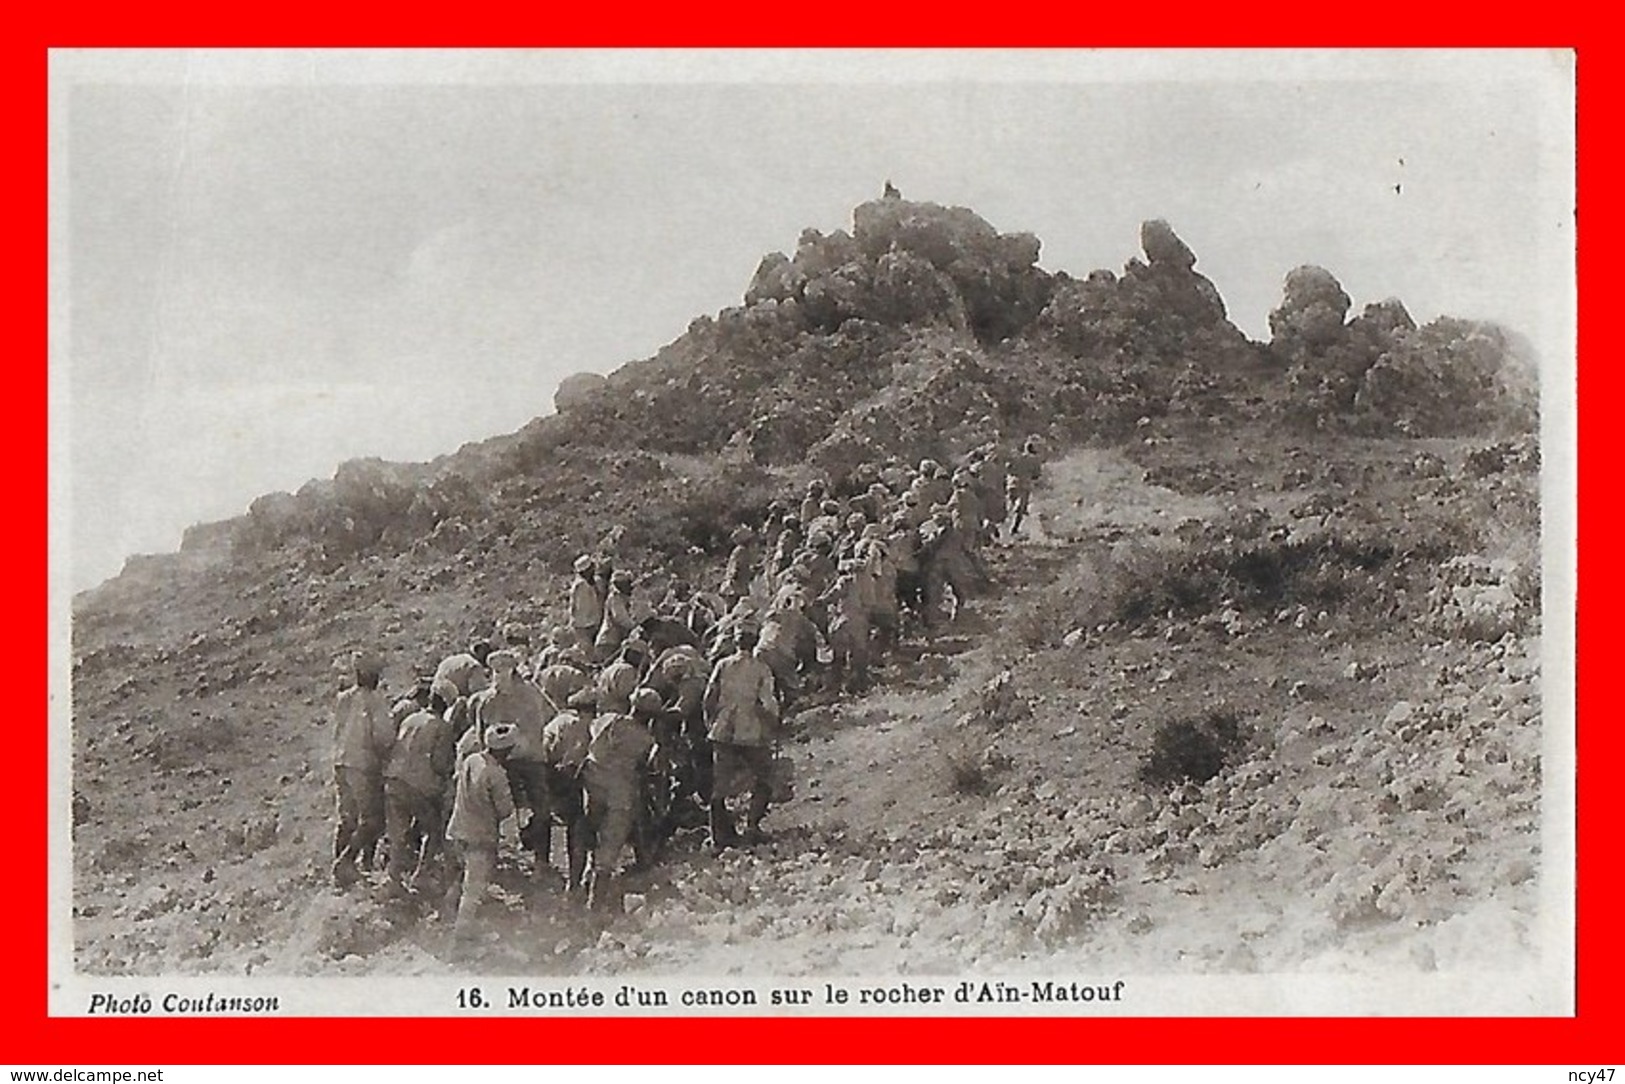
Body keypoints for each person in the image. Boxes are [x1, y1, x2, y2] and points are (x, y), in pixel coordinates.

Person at [468, 650, 555, 884]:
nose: (499, 676)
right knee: (493, 809)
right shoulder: (485, 700)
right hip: (502, 760)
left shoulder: (529, 695)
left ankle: (541, 860)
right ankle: (496, 861)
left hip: (530, 759)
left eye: (504, 671)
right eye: (496, 672)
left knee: (541, 809)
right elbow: (480, 733)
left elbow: (539, 726)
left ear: (512, 671)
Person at [581, 662, 655, 912]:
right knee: (610, 844)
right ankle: (596, 901)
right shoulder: (646, 739)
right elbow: (646, 770)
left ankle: (582, 881)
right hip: (620, 792)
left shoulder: (608, 720)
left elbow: (591, 741)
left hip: (592, 783)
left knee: (590, 831)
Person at [703, 626, 780, 851]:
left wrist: (711, 722)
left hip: (723, 730)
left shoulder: (722, 665)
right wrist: (773, 722)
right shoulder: (761, 669)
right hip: (750, 730)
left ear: (735, 643)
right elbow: (767, 703)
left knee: (720, 784)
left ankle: (718, 838)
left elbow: (709, 697)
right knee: (765, 776)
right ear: (755, 642)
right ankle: (752, 827)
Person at [445, 723, 518, 941]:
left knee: (458, 883)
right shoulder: (496, 774)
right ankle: (460, 938)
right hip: (480, 836)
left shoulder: (472, 760)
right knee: (472, 891)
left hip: (457, 828)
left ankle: (445, 924)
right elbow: (505, 809)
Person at [331, 653, 396, 889]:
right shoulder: (375, 701)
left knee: (347, 818)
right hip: (363, 764)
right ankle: (346, 862)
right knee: (373, 820)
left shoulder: (343, 698)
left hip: (341, 761)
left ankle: (339, 874)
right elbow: (383, 738)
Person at [383, 686, 457, 895]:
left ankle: (393, 879)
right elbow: (440, 763)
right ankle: (422, 874)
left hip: (394, 779)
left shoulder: (411, 718)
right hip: (417, 785)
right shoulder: (442, 727)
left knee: (399, 833)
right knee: (434, 829)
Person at [540, 688, 596, 898]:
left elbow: (547, 750)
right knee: (579, 829)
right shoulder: (590, 726)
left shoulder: (558, 722)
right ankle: (577, 879)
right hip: (579, 780)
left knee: (567, 827)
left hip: (555, 778)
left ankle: (552, 869)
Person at [594, 570, 638, 663]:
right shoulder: (615, 599)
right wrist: (636, 626)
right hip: (608, 643)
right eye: (627, 583)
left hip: (615, 641)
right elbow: (621, 618)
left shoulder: (625, 598)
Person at [1007, 437, 1043, 536]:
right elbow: (1037, 474)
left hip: (1012, 483)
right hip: (1024, 485)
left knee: (1010, 506)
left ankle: (1004, 528)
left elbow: (1009, 469)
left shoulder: (1016, 457)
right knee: (1020, 509)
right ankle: (1014, 528)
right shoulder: (1034, 460)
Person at [568, 555, 604, 652]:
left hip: (591, 625)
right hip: (584, 627)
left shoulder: (591, 582)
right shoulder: (581, 586)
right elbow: (582, 609)